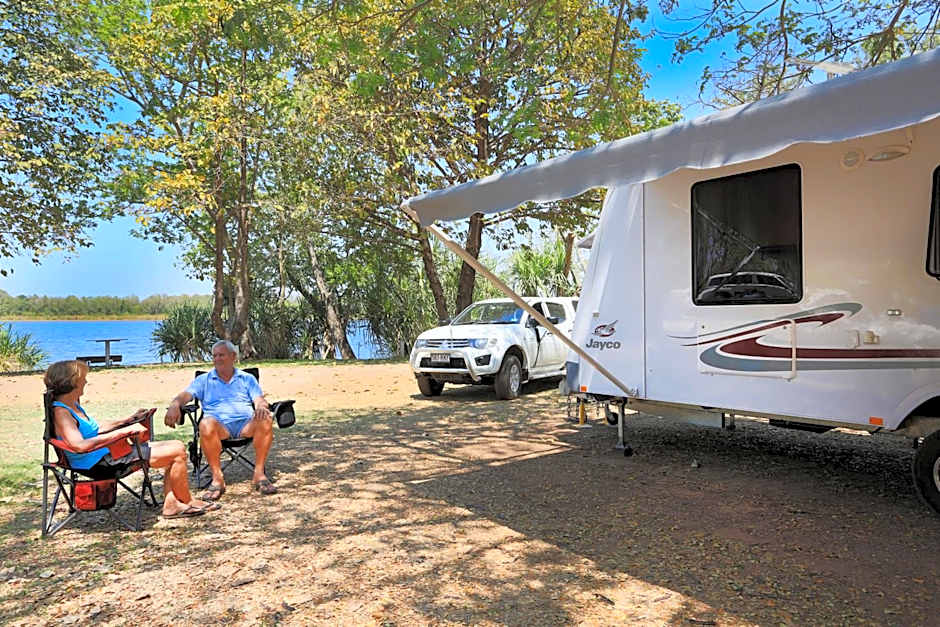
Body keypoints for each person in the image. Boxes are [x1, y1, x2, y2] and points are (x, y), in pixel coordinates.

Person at [45, 359, 218, 519]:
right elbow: (79, 445)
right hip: (98, 464)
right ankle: (185, 502)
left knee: (176, 445)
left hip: (104, 455)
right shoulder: (62, 412)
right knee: (176, 452)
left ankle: (172, 503)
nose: (86, 382)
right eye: (83, 378)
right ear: (73, 382)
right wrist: (123, 433)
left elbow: (95, 430)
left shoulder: (72, 405)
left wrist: (128, 420)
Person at [164, 340, 277, 499]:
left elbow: (258, 399)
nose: (217, 359)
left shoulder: (247, 378)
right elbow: (185, 396)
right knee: (205, 423)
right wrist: (175, 404)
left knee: (265, 418)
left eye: (221, 355)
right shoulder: (204, 380)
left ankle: (259, 474)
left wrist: (261, 407)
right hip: (219, 427)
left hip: (246, 425)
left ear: (233, 356)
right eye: (215, 355)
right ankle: (217, 478)